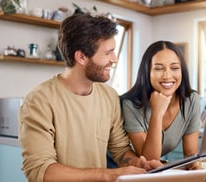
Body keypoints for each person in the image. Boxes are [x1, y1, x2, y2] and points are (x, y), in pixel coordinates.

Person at [18, 14, 161, 182]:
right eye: (108, 53)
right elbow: (41, 171)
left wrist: (139, 164)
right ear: (82, 57)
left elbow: (120, 150)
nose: (114, 59)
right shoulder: (39, 101)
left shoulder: (109, 96)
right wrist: (108, 174)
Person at [120, 40, 202, 170]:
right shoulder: (130, 104)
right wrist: (157, 113)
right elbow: (149, 162)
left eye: (174, 68)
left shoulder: (191, 100)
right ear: (147, 72)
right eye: (158, 68)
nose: (167, 76)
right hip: (122, 170)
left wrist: (196, 168)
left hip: (154, 171)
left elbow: (191, 154)